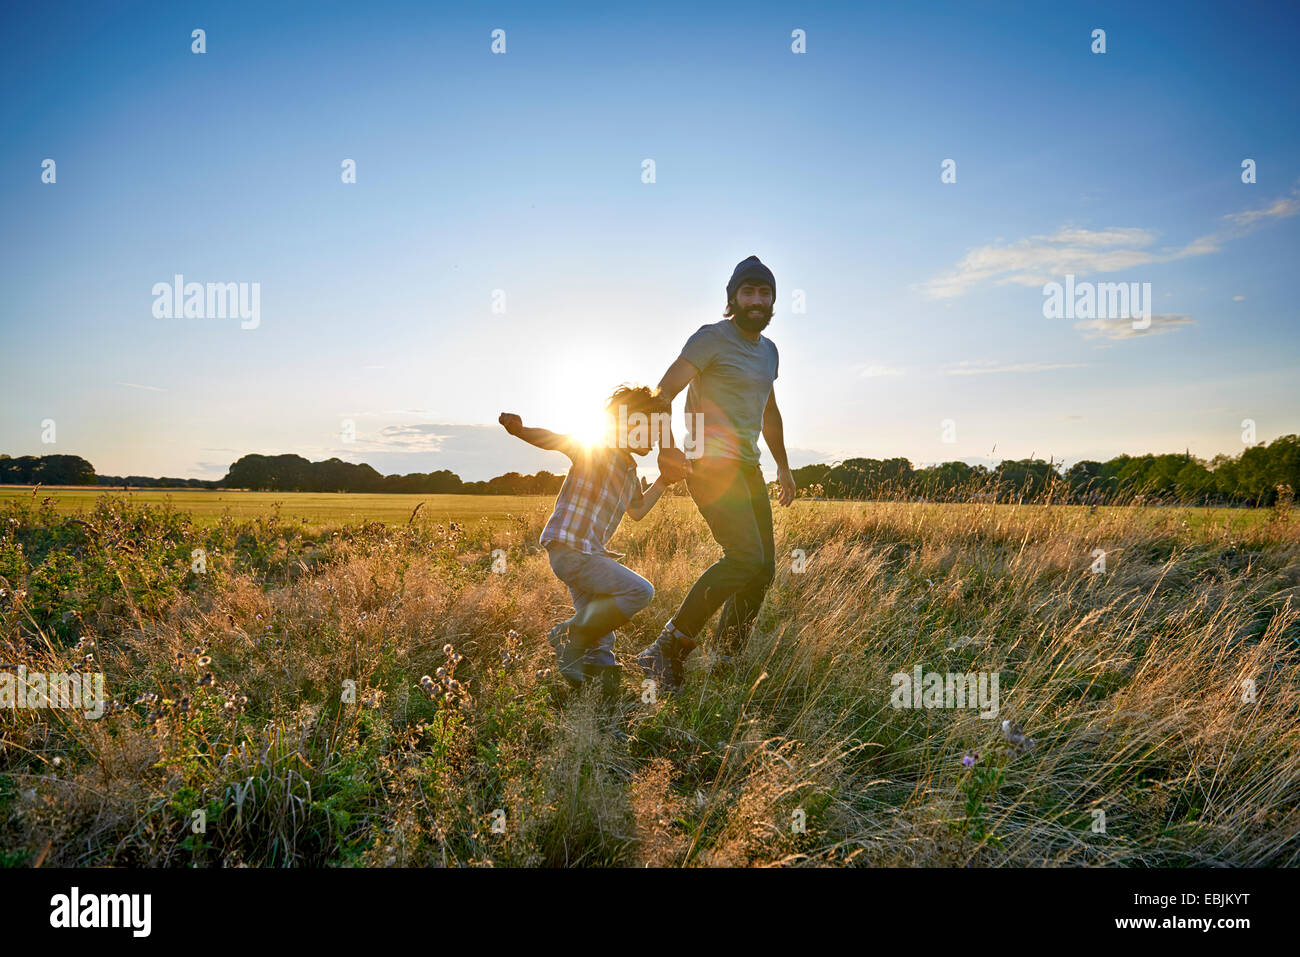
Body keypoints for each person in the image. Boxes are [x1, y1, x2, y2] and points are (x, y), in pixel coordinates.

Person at [637, 255, 796, 692]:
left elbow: (769, 411)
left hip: (747, 467)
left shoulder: (769, 352)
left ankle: (726, 655)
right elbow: (661, 393)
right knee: (744, 557)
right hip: (707, 464)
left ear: (772, 301)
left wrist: (783, 465)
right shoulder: (710, 339)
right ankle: (665, 650)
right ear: (733, 299)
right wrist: (668, 448)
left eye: (765, 293)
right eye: (748, 291)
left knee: (761, 571)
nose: (757, 300)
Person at [499, 385, 674, 688]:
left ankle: (595, 691)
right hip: (571, 550)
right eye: (653, 429)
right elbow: (553, 439)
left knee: (599, 631)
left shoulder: (631, 473)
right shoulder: (594, 450)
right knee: (640, 592)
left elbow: (638, 510)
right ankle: (568, 636)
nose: (657, 437)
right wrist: (519, 429)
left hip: (587, 554)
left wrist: (664, 480)